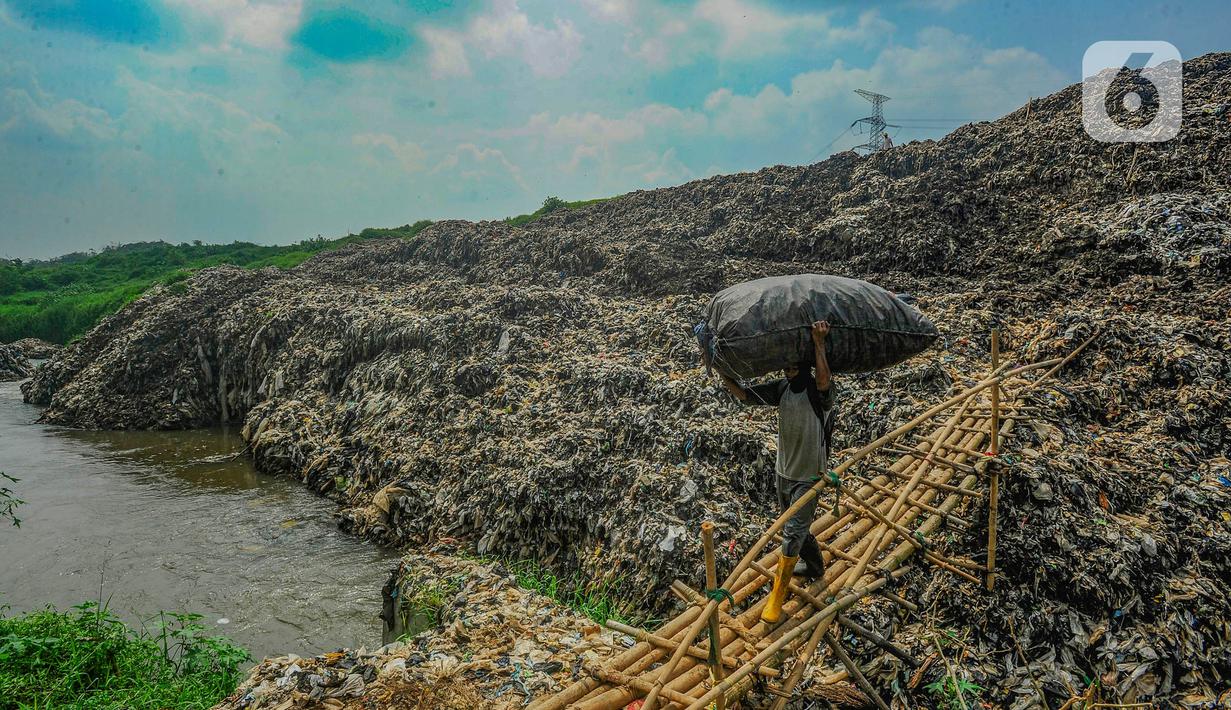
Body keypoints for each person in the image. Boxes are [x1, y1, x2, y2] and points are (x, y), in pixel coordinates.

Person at [718, 320, 835, 624]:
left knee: (792, 533)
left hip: (810, 475)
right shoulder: (782, 388)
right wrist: (721, 370)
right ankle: (815, 565)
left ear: (805, 363)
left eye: (794, 364)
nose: (788, 369)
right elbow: (745, 395)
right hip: (783, 471)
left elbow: (825, 383)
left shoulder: (817, 391)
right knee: (799, 527)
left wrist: (819, 343)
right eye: (786, 365)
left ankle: (776, 598)